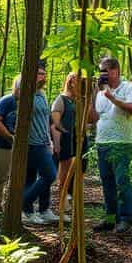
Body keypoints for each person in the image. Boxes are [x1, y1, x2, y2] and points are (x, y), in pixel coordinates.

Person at [88, 56, 132, 232]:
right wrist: (91, 94)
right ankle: (111, 218)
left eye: (106, 70)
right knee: (107, 182)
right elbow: (93, 118)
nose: (103, 74)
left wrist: (113, 98)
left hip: (121, 142)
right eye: (101, 71)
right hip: (102, 142)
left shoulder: (128, 87)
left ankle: (126, 218)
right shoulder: (100, 91)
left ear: (115, 71)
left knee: (122, 181)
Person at [21, 60, 59, 225]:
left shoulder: (42, 94)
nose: (43, 76)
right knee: (49, 175)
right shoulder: (24, 94)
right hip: (31, 143)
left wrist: (49, 140)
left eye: (44, 73)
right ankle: (24, 203)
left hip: (43, 142)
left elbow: (46, 120)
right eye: (40, 73)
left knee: (30, 178)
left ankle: (35, 212)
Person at [51, 71, 84, 221]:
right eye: (79, 80)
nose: (82, 83)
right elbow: (55, 123)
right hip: (66, 141)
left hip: (80, 141)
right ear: (71, 82)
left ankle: (74, 204)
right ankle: (62, 207)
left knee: (79, 173)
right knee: (64, 176)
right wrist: (60, 140)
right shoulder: (61, 99)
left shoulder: (80, 101)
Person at [0, 75, 19, 220]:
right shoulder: (7, 101)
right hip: (2, 146)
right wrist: (9, 136)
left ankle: (10, 207)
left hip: (21, 148)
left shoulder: (30, 102)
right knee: (0, 177)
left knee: (17, 178)